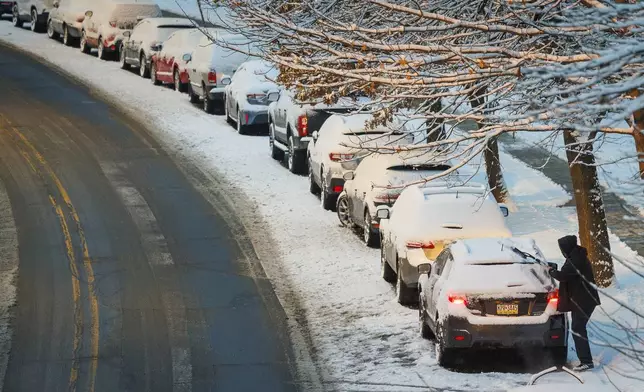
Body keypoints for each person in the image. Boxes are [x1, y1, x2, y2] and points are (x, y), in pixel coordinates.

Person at [549, 235, 601, 372]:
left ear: (566, 247)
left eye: (562, 248)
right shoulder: (576, 256)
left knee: (578, 329)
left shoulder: (575, 259)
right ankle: (585, 360)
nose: (561, 250)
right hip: (582, 299)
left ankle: (586, 362)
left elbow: (563, 276)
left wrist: (550, 271)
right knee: (578, 329)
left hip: (583, 301)